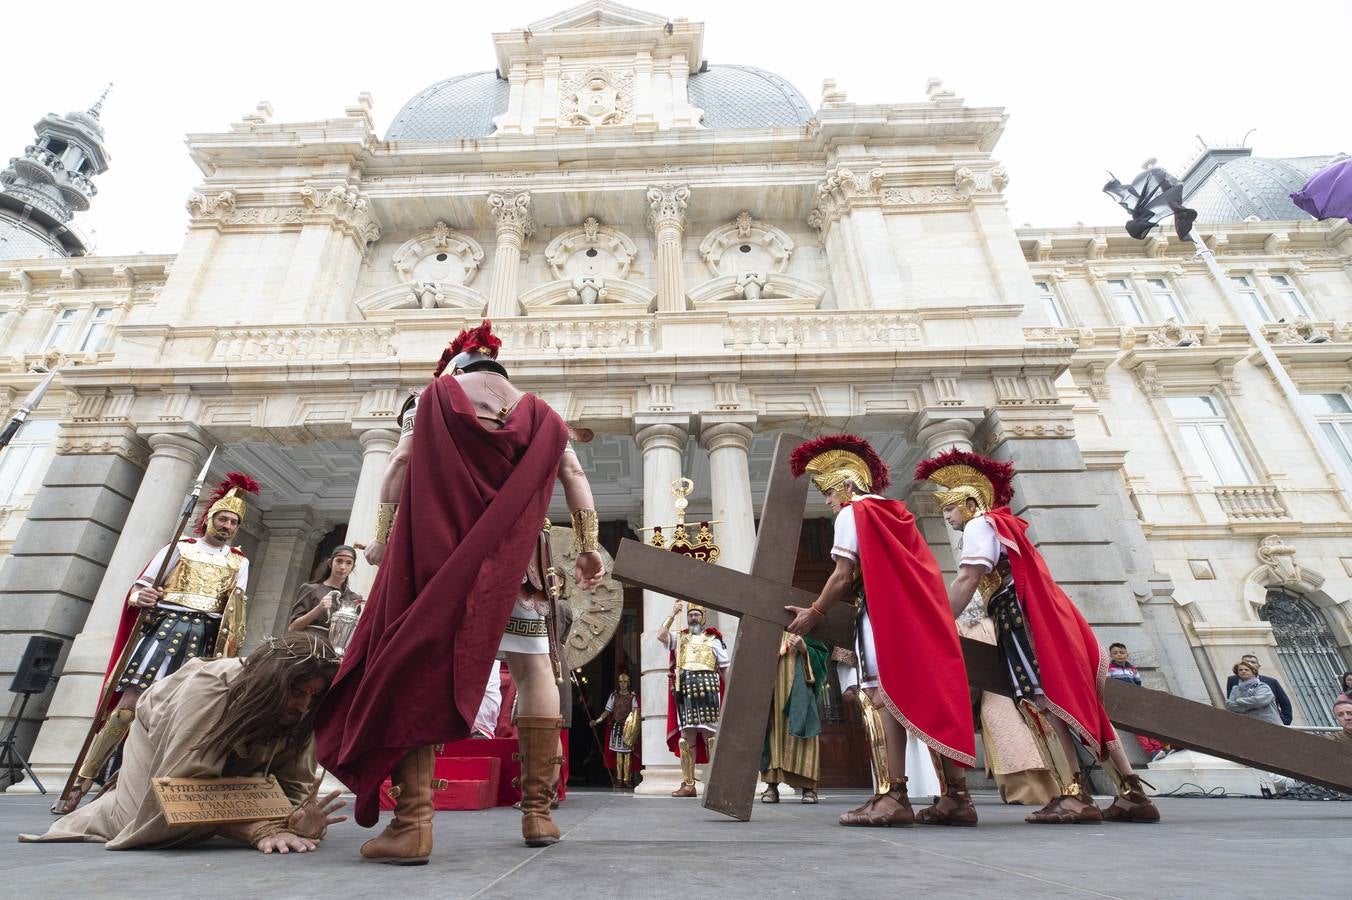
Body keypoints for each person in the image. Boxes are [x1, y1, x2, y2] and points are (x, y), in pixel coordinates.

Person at [315, 321, 604, 864]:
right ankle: (538, 813)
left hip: (440, 560)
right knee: (535, 671)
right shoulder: (543, 415)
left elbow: (399, 464)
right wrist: (588, 545)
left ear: (459, 366)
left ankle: (413, 824)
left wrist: (380, 538)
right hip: (519, 568)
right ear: (500, 368)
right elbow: (573, 476)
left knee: (418, 668)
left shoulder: (432, 399)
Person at [917, 448, 1160, 824]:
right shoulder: (1002, 525)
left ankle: (1074, 794)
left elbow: (968, 577)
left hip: (1018, 617)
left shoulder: (982, 524)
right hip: (1036, 617)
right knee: (1077, 704)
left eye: (949, 508)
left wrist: (939, 621)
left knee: (1039, 701)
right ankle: (1132, 793)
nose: (946, 516)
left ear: (969, 501)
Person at [785, 435, 975, 828]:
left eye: (828, 491)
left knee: (884, 697)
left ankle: (895, 794)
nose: (828, 501)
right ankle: (957, 796)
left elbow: (841, 576)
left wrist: (815, 612)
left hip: (884, 614)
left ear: (848, 485)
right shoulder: (895, 512)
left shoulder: (853, 514)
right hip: (920, 615)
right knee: (927, 695)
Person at [52, 473, 259, 815]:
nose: (227, 525)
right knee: (129, 706)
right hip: (165, 629)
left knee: (176, 715)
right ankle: (82, 783)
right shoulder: (179, 548)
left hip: (204, 638)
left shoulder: (240, 561)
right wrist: (141, 595)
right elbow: (139, 589)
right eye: (222, 518)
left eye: (233, 521)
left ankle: (131, 787)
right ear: (209, 518)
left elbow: (235, 609)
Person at [22, 634, 346, 853]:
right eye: (298, 691)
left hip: (218, 761)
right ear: (272, 683)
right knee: (148, 820)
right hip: (161, 734)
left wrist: (300, 822)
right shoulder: (213, 688)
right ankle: (109, 805)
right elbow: (183, 789)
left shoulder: (303, 711)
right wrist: (255, 828)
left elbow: (295, 791)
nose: (304, 706)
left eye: (312, 695)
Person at [957, 602, 1058, 806]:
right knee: (1030, 738)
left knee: (1008, 743)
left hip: (992, 694)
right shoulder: (997, 620)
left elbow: (968, 667)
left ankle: (1022, 793)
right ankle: (1052, 789)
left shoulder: (960, 627)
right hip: (1020, 687)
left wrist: (967, 704)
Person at [656, 602, 729, 797]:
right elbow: (661, 635)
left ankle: (716, 785)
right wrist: (673, 613)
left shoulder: (714, 640)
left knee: (710, 737)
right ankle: (688, 785)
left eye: (697, 615)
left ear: (703, 617)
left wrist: (729, 693)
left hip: (709, 691)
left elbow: (724, 669)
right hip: (686, 691)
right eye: (691, 615)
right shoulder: (680, 637)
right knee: (686, 738)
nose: (693, 618)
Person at [759, 632, 829, 804]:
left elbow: (821, 654)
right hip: (774, 693)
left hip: (801, 690)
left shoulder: (809, 626)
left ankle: (809, 788)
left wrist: (804, 649)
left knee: (805, 731)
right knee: (773, 734)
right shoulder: (769, 626)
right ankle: (771, 786)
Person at [288, 546, 363, 640]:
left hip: (334, 652)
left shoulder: (354, 599)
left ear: (353, 567)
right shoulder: (310, 589)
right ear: (330, 563)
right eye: (339, 561)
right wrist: (318, 609)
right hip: (307, 647)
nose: (343, 567)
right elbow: (292, 628)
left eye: (348, 563)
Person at [591, 672, 639, 788]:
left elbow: (635, 713)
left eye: (625, 682)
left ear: (628, 683)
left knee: (627, 754)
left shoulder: (632, 697)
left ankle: (627, 780)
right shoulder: (613, 696)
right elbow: (607, 711)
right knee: (618, 754)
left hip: (628, 728)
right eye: (621, 682)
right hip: (617, 727)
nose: (622, 684)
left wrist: (634, 729)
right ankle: (619, 779)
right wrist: (597, 721)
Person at [1224, 654, 1293, 725]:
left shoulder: (1265, 685)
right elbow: (1230, 705)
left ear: (1256, 668)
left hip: (1269, 723)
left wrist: (1239, 701)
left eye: (1252, 662)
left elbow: (1260, 701)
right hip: (1247, 724)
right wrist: (1250, 705)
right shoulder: (1235, 687)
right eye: (1241, 669)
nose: (1244, 671)